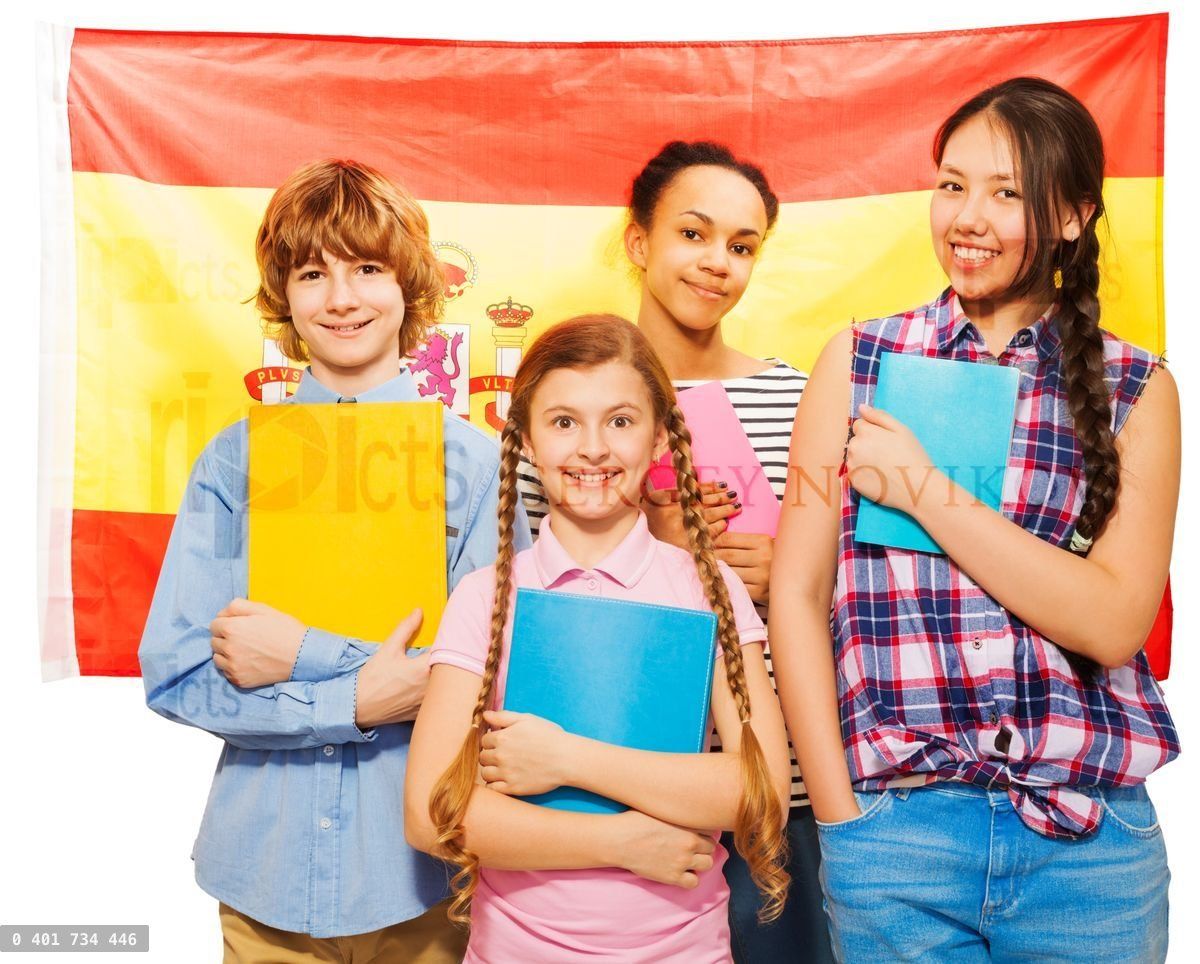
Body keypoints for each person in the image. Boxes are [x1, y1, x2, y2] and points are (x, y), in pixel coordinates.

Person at [770, 77, 1179, 961]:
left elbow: (1114, 623)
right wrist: (842, 817)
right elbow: (795, 596)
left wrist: (924, 489)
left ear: (1071, 215)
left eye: (1006, 193)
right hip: (897, 841)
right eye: (952, 185)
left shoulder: (1137, 388)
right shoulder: (858, 360)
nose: (967, 217)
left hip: (1090, 850)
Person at [138, 158, 530, 962]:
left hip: (423, 879)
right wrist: (363, 695)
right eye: (313, 273)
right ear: (284, 295)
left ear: (409, 285)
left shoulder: (478, 466)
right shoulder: (233, 463)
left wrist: (304, 656)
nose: (342, 298)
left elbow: (499, 672)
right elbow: (177, 673)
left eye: (367, 269)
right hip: (263, 873)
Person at [517, 140, 828, 963]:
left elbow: (851, 595)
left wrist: (790, 576)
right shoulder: (567, 402)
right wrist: (655, 548)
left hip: (780, 788)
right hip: (602, 778)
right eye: (693, 233)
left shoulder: (798, 396)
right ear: (638, 241)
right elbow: (521, 602)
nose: (717, 261)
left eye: (742, 245)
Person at [405, 315, 792, 963]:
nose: (592, 448)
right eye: (564, 422)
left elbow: (764, 792)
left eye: (620, 421)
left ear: (660, 435)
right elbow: (428, 814)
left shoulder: (708, 588)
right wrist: (621, 843)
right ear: (526, 439)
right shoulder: (485, 596)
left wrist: (567, 760)